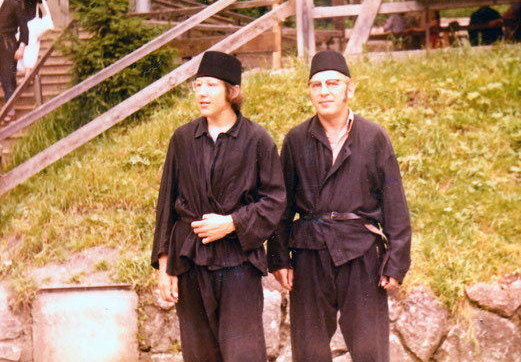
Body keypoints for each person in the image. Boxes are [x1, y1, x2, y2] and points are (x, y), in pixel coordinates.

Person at [268, 50, 412, 362]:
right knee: (308, 350)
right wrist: (279, 256)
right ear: (309, 92)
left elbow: (394, 203)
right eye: (316, 85)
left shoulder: (373, 137)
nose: (324, 91)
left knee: (370, 349)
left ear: (349, 89)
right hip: (309, 254)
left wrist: (396, 261)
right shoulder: (295, 140)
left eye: (332, 83)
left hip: (360, 254)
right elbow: (282, 204)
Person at [151, 51, 286, 362]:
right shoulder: (183, 139)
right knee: (199, 355)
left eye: (211, 85)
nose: (202, 92)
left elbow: (275, 200)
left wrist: (233, 223)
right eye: (198, 85)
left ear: (232, 91)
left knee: (243, 355)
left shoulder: (256, 139)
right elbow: (166, 206)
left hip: (238, 264)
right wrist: (164, 264)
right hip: (191, 263)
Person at [0, 0, 28, 124]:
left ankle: (9, 112)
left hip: (8, 45)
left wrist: (21, 47)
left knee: (7, 77)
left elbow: (24, 28)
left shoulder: (13, 4)